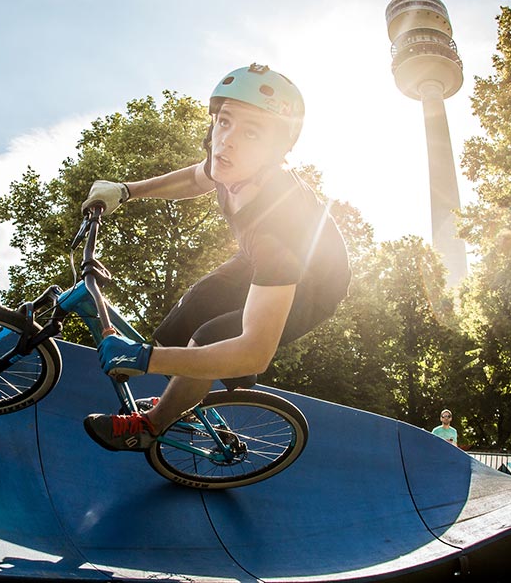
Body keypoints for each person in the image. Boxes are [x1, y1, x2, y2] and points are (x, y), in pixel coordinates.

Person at [80, 64, 352, 451]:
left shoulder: (279, 229)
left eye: (252, 132)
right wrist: (125, 190)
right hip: (252, 257)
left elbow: (257, 350)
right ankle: (199, 389)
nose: (227, 142)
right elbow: (194, 178)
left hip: (311, 283)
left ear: (276, 152)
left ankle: (149, 428)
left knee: (210, 338)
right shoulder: (229, 165)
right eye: (224, 122)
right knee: (183, 319)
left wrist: (144, 358)